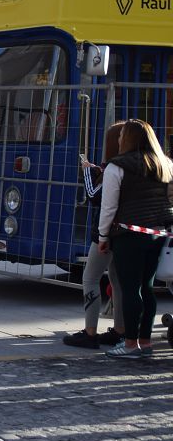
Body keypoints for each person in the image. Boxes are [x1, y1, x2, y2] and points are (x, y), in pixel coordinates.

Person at [98, 119, 173, 359]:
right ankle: (145, 341)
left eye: (121, 137)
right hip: (158, 233)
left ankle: (130, 344)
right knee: (147, 288)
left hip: (128, 234)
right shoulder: (165, 165)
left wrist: (102, 235)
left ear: (128, 139)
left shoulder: (116, 167)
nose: (118, 140)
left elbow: (108, 207)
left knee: (130, 289)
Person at [64, 121, 125, 349]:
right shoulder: (137, 166)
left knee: (90, 279)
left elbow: (94, 195)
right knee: (117, 281)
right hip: (126, 232)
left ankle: (90, 332)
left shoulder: (114, 167)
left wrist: (88, 171)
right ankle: (120, 330)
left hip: (106, 232)